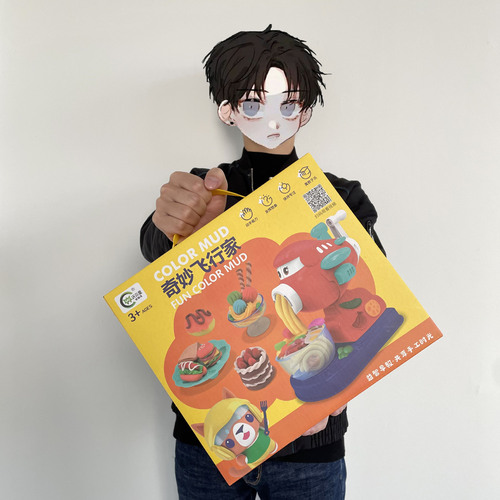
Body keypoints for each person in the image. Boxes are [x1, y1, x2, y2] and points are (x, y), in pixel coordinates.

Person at [140, 25, 384, 500]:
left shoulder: (339, 197)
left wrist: (342, 379)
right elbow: (153, 253)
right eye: (253, 104)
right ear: (227, 110)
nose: (272, 120)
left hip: (313, 438)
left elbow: (374, 288)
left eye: (287, 104)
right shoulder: (207, 188)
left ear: (305, 110)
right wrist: (175, 226)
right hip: (210, 440)